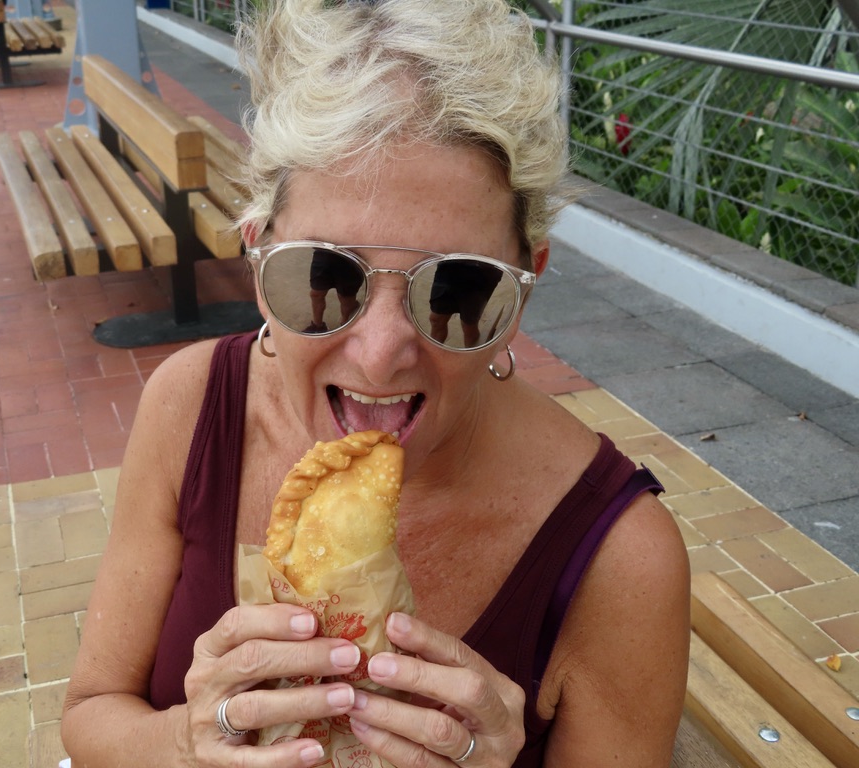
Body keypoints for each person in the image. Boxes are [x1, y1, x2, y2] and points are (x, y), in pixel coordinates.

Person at [60, 1, 691, 767]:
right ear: (258, 260)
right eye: (325, 275)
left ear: (523, 289)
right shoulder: (188, 409)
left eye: (456, 288)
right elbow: (91, 713)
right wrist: (182, 746)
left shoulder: (620, 561)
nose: (380, 353)